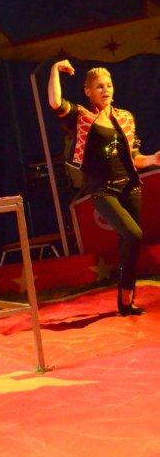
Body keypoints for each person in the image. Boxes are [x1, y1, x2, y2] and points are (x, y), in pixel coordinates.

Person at [48, 60, 160, 316]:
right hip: (103, 190)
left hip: (130, 188)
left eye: (108, 85)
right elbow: (55, 103)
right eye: (99, 86)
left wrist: (153, 159)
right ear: (88, 91)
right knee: (134, 235)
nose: (105, 90)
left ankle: (126, 301)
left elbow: (135, 158)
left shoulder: (125, 117)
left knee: (129, 245)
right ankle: (126, 299)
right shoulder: (83, 118)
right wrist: (55, 69)